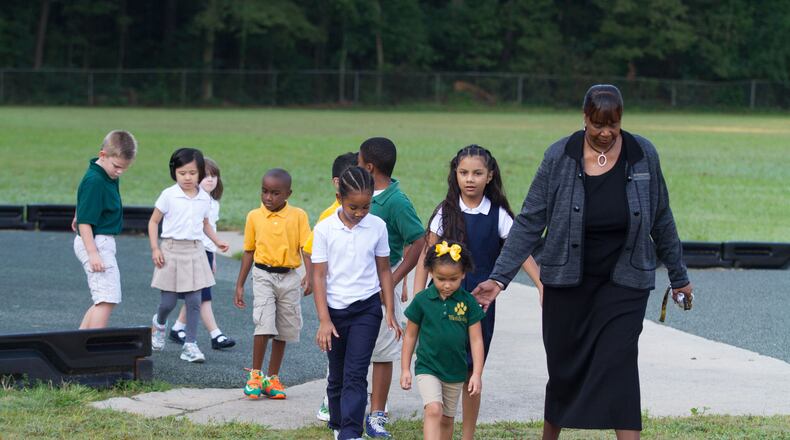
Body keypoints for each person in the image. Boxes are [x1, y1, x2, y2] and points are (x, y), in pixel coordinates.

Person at [473, 84, 694, 440]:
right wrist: (499, 279)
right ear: (584, 118)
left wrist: (679, 276)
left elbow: (661, 217)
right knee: (564, 368)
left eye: (613, 125)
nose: (606, 133)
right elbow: (530, 220)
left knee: (619, 364)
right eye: (597, 125)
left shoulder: (642, 154)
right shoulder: (560, 155)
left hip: (624, 281)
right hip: (567, 280)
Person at [413, 144, 542, 440]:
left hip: (479, 304)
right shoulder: (445, 212)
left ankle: (467, 435)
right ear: (455, 175)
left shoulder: (498, 215)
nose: (470, 179)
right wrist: (420, 297)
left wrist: (541, 286)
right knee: (441, 366)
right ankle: (440, 429)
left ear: (489, 175)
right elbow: (425, 257)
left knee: (472, 371)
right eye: (463, 172)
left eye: (477, 173)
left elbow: (520, 251)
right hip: (441, 303)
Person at [311, 166, 402, 440]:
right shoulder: (325, 229)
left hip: (367, 309)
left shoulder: (377, 227)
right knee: (337, 374)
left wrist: (389, 311)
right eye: (354, 207)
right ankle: (338, 423)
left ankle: (351, 432)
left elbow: (384, 270)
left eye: (366, 206)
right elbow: (318, 276)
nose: (361, 213)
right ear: (339, 198)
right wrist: (324, 320)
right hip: (335, 312)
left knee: (356, 372)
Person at [358, 137, 425, 438]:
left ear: (369, 167)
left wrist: (394, 279)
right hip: (354, 286)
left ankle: (377, 414)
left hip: (383, 289)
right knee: (353, 349)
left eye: (359, 163)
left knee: (383, 352)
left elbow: (418, 240)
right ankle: (348, 406)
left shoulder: (396, 201)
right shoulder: (357, 194)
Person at [234, 168, 313, 400]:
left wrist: (308, 275)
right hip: (262, 276)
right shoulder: (254, 217)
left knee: (284, 329)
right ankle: (255, 375)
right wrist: (239, 285)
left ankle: (272, 378)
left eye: (275, 193)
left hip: (289, 277)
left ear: (288, 193)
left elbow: (305, 248)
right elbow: (248, 251)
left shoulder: (299, 216)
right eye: (265, 191)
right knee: (264, 322)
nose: (268, 197)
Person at [148, 147, 230, 363]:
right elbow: (153, 221)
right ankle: (159, 323)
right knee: (168, 302)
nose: (187, 177)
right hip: (171, 251)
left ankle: (190, 345)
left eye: (193, 173)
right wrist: (156, 248)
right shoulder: (168, 195)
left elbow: (205, 224)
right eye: (182, 173)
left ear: (200, 173)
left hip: (195, 251)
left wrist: (217, 241)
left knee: (195, 300)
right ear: (174, 172)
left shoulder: (205, 199)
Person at [401, 240, 485, 440]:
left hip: (455, 371)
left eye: (453, 279)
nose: (447, 285)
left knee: (447, 419)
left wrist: (477, 374)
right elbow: (410, 335)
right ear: (430, 272)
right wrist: (405, 368)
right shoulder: (422, 300)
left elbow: (476, 340)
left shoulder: (468, 302)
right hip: (428, 367)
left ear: (463, 274)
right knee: (433, 410)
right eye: (441, 279)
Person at [303, 151, 360, 422]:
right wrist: (310, 278)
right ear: (338, 184)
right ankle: (330, 403)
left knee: (354, 359)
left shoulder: (366, 215)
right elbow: (309, 248)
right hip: (335, 298)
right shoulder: (330, 216)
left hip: (358, 297)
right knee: (336, 358)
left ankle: (349, 403)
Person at [73, 130, 137, 329]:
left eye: (124, 168)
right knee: (107, 299)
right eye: (117, 166)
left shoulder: (107, 173)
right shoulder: (96, 180)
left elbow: (86, 200)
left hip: (101, 240)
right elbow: (85, 223)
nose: (119, 172)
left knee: (104, 298)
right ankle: (91, 349)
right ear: (103, 155)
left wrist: (78, 211)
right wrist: (93, 253)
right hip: (94, 242)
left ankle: (80, 343)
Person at [169, 157, 235, 350]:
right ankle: (216, 334)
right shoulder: (192, 202)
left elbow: (210, 230)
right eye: (205, 176)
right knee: (202, 296)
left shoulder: (213, 203)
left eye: (214, 176)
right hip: (192, 253)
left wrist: (212, 257)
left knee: (196, 294)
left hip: (205, 253)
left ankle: (177, 327)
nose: (210, 179)